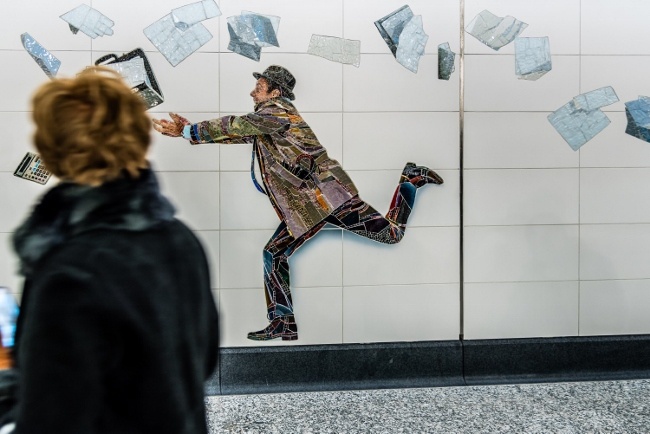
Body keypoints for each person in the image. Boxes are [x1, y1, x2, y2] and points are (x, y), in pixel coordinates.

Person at [153, 65, 443, 342]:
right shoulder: (270, 121)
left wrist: (188, 132)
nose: (253, 93)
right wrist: (188, 132)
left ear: (275, 92)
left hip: (328, 198)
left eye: (259, 87)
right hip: (308, 207)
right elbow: (239, 134)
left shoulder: (277, 113)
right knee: (273, 254)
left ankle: (411, 179)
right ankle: (283, 322)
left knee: (391, 234)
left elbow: (236, 125)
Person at [7, 67, 219, 433]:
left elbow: (51, 418)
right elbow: (203, 360)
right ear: (137, 138)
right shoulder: (181, 240)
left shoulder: (70, 272)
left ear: (54, 150)